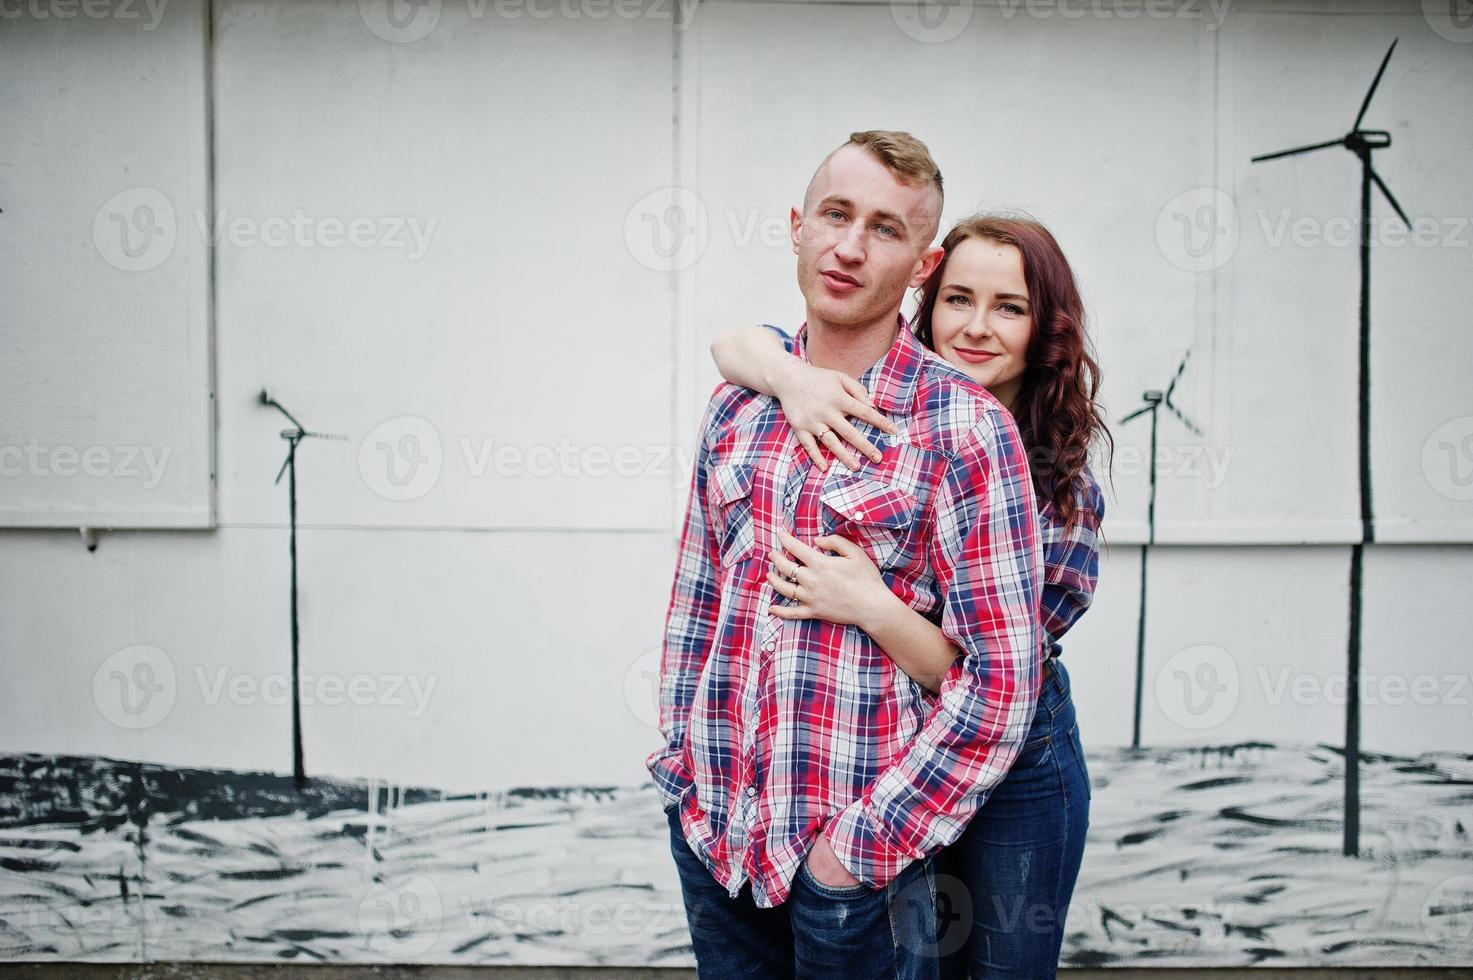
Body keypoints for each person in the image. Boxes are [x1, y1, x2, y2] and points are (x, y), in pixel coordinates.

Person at [646, 130, 1043, 980]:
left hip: (856, 870)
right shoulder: (737, 407)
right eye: (835, 214)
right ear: (797, 225)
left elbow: (1002, 684)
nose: (850, 246)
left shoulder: (965, 430)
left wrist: (858, 849)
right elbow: (696, 606)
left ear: (921, 263)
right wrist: (684, 779)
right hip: (719, 843)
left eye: (886, 229)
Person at [708, 213, 1111, 978]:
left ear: (1043, 328)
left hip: (1014, 750)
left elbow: (989, 676)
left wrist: (872, 605)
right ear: (926, 295)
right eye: (958, 298)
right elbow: (735, 345)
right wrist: (791, 378)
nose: (977, 327)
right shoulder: (869, 402)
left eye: (1010, 308)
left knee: (997, 966)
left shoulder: (1058, 484)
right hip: (896, 753)